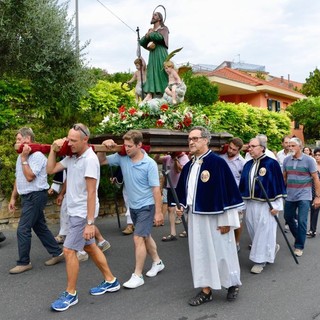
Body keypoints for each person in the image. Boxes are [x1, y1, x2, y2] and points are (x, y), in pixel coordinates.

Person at [47, 124, 120, 312]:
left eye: (74, 140)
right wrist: (54, 151)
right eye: (68, 139)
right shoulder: (72, 157)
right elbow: (51, 169)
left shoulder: (90, 160)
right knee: (90, 246)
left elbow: (91, 193)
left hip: (82, 213)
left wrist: (90, 223)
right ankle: (111, 281)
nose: (69, 143)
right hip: (73, 212)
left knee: (69, 251)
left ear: (85, 140)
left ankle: (70, 294)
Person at [175, 126, 244, 306]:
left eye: (195, 138)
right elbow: (184, 191)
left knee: (223, 252)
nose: (191, 142)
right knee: (200, 253)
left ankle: (232, 284)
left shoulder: (218, 163)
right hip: (196, 218)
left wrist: (228, 221)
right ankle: (206, 290)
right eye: (189, 139)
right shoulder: (189, 166)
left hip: (217, 217)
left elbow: (228, 194)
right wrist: (181, 205)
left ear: (206, 140)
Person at [97, 130, 165, 289]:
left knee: (138, 238)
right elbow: (101, 161)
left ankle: (138, 275)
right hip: (133, 207)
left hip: (146, 206)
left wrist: (159, 211)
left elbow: (156, 189)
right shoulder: (122, 158)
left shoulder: (149, 164)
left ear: (139, 145)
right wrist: (103, 147)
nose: (126, 149)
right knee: (145, 236)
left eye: (129, 146)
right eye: (125, 145)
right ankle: (157, 262)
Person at [8, 127, 64, 274]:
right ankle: (57, 253)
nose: (16, 142)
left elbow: (29, 177)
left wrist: (24, 160)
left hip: (36, 195)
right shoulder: (21, 157)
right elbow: (18, 178)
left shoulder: (38, 156)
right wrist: (13, 197)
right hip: (27, 196)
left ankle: (24, 262)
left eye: (19, 139)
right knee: (39, 227)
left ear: (27, 140)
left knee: (23, 229)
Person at [239, 137, 287, 274]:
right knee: (254, 230)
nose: (250, 149)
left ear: (262, 147)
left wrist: (277, 205)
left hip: (267, 204)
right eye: (249, 146)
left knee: (264, 231)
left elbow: (278, 185)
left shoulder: (272, 164)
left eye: (253, 146)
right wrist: (242, 205)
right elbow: (243, 185)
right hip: (250, 203)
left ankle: (260, 260)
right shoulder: (247, 164)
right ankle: (270, 248)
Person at [283, 138, 320, 257]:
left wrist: (318, 197)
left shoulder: (309, 160)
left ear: (300, 146)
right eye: (289, 145)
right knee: (288, 217)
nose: (290, 148)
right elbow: (284, 178)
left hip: (304, 195)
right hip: (290, 194)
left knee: (302, 221)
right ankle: (299, 236)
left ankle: (299, 246)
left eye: (293, 145)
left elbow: (315, 179)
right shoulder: (286, 160)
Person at [154, 152, 189, 241]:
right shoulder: (168, 157)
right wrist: (158, 151)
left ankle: (187, 229)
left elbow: (179, 170)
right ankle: (173, 233)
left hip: (181, 187)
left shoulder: (185, 158)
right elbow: (157, 159)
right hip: (171, 187)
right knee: (171, 209)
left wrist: (176, 159)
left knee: (185, 209)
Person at [220, 137, 246, 252]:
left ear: (239, 150)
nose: (230, 151)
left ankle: (236, 242)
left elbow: (244, 182)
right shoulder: (221, 157)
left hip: (236, 197)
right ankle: (224, 242)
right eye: (230, 148)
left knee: (238, 221)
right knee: (223, 219)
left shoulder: (242, 163)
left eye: (234, 150)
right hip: (222, 195)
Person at [139, 11, 169, 101]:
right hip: (152, 54)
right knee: (151, 71)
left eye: (155, 15)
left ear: (159, 18)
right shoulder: (151, 31)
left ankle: (165, 91)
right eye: (152, 15)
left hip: (160, 52)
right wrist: (147, 35)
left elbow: (159, 37)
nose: (153, 16)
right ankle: (150, 93)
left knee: (161, 71)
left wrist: (151, 33)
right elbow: (142, 42)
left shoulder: (164, 28)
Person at [307, 147, 320, 238]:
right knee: (314, 211)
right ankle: (312, 230)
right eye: (316, 155)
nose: (317, 157)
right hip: (314, 191)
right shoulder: (312, 166)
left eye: (319, 155)